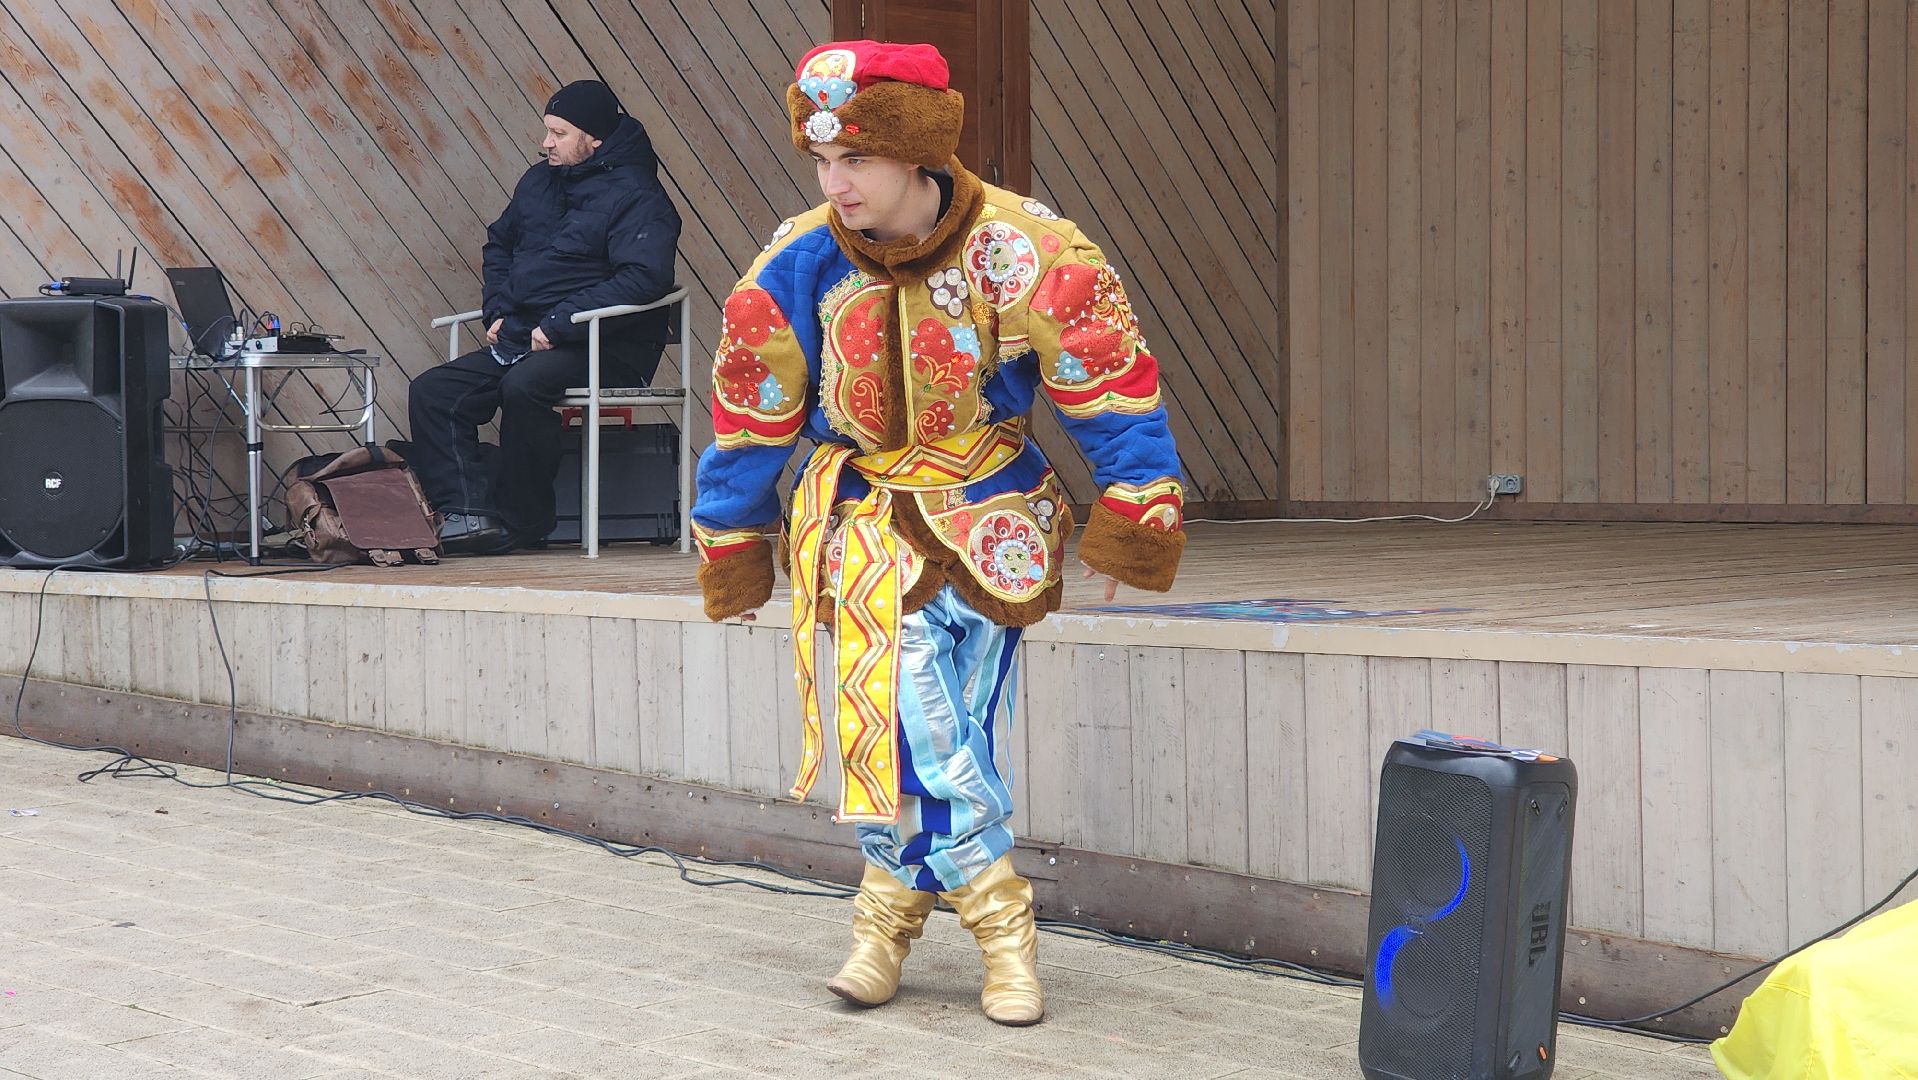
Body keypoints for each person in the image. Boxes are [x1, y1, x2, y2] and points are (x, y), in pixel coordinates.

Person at [688, 40, 1187, 1026]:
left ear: (915, 154)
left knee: (947, 728)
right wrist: (731, 533)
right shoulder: (798, 255)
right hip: (864, 524)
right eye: (822, 165)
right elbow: (754, 404)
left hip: (994, 518)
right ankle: (1004, 925)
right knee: (916, 726)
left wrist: (1136, 510)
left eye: (855, 163)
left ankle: (885, 918)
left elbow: (1104, 380)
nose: (836, 186)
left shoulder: (1026, 245)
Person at [408, 80, 681, 553]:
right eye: (547, 131)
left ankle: (525, 522)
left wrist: (560, 323)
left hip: (606, 346)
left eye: (558, 133)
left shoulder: (638, 195)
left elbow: (644, 279)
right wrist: (497, 306)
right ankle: (469, 515)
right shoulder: (539, 182)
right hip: (524, 335)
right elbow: (500, 244)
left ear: (592, 138)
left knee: (525, 386)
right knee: (434, 391)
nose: (546, 142)